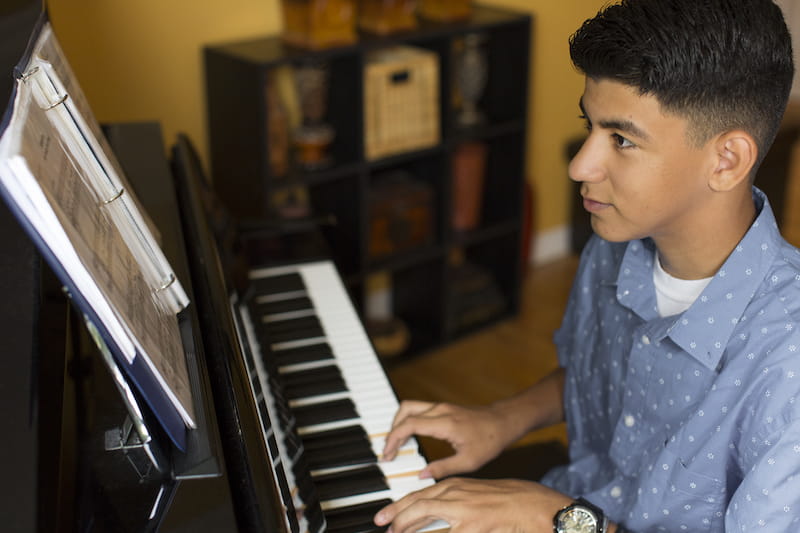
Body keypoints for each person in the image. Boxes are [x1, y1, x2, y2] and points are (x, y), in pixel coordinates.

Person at [373, 0, 800, 531]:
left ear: (726, 160)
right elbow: (592, 375)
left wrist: (556, 517)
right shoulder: (614, 241)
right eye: (589, 125)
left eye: (621, 139)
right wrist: (499, 420)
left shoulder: (790, 365)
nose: (580, 165)